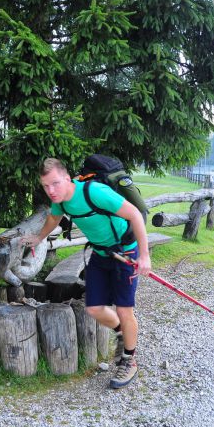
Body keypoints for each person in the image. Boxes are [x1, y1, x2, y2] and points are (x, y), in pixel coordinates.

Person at [22, 158, 151, 389]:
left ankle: (130, 360)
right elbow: (54, 217)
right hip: (101, 254)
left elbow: (135, 215)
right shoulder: (60, 201)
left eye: (55, 183)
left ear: (66, 177)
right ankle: (122, 334)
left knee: (124, 309)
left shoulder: (95, 192)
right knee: (93, 307)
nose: (51, 191)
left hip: (124, 251)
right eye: (45, 186)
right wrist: (39, 237)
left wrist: (144, 255)